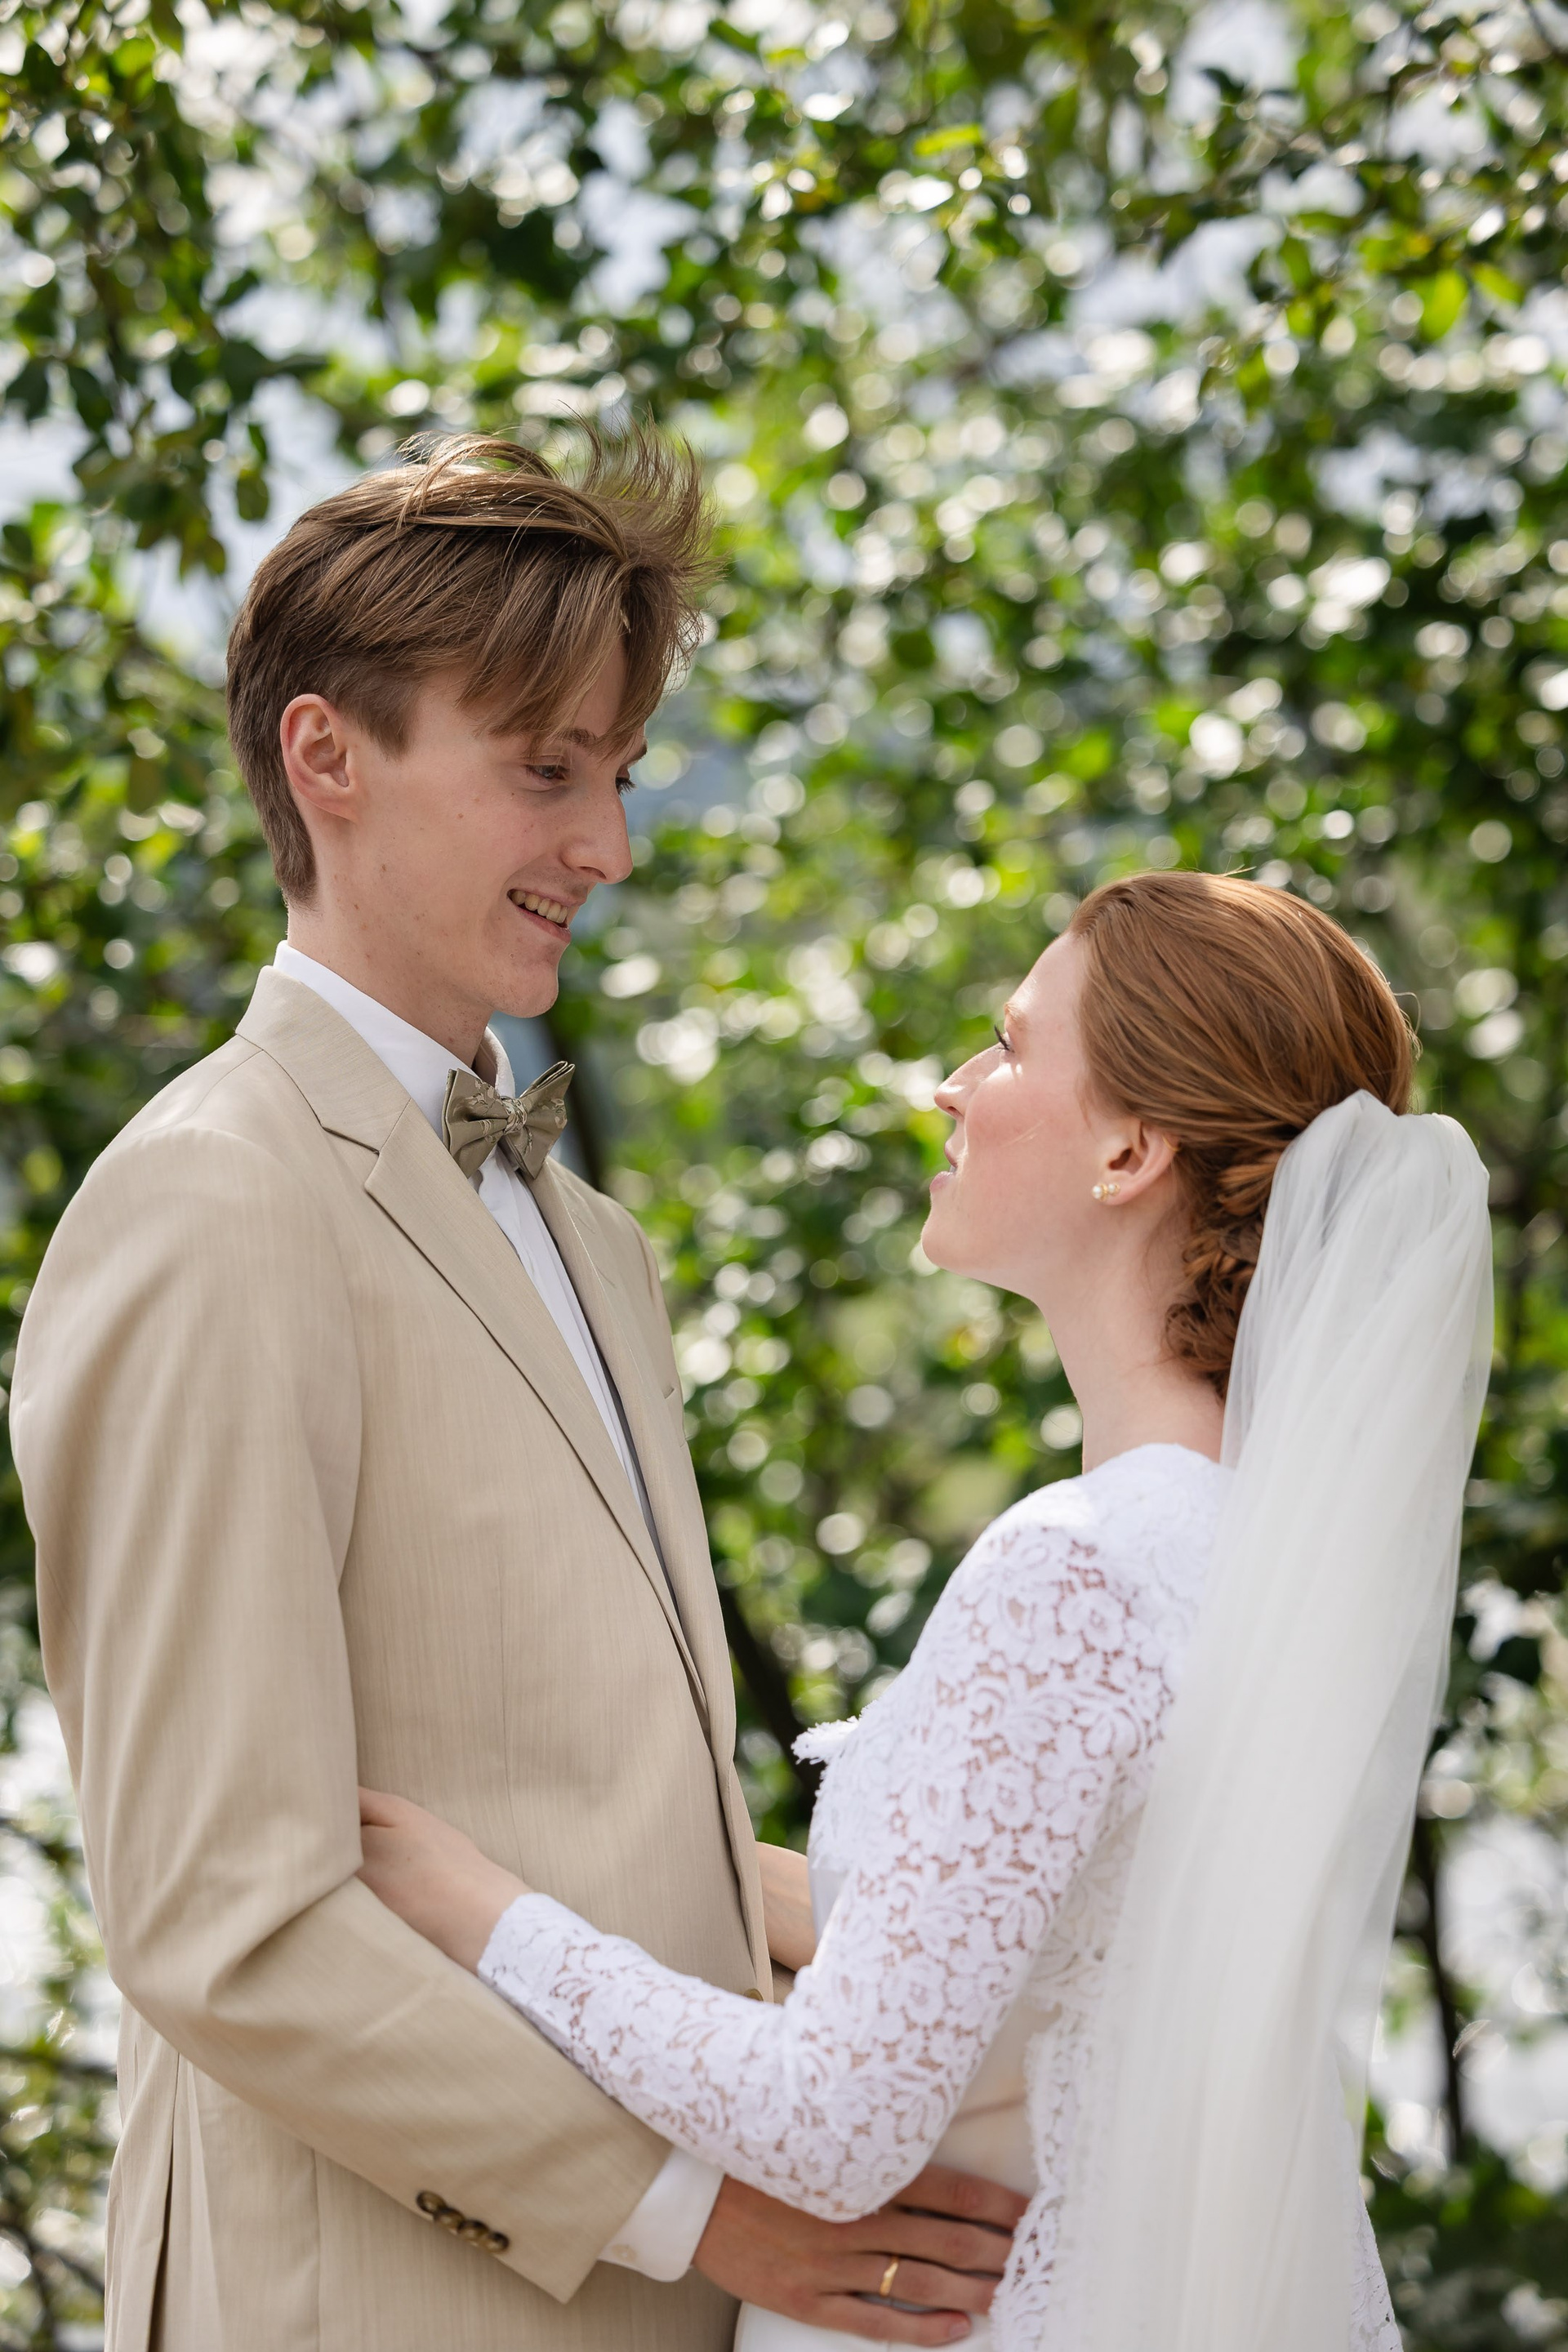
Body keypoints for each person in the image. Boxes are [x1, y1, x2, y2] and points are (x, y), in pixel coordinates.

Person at [9, 433, 1022, 2352]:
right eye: (547, 771)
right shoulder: (210, 1202)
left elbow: (622, 1827)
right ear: (328, 758)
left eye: (619, 774)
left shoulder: (596, 1244)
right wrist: (697, 2212)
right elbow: (227, 1917)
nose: (610, 847)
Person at [355, 869, 1494, 2352]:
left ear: (1131, 1149)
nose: (954, 1087)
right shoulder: (1252, 1557)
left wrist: (479, 1910)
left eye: (1010, 1046)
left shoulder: (1076, 1571)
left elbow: (834, 2122)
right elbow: (1022, 1947)